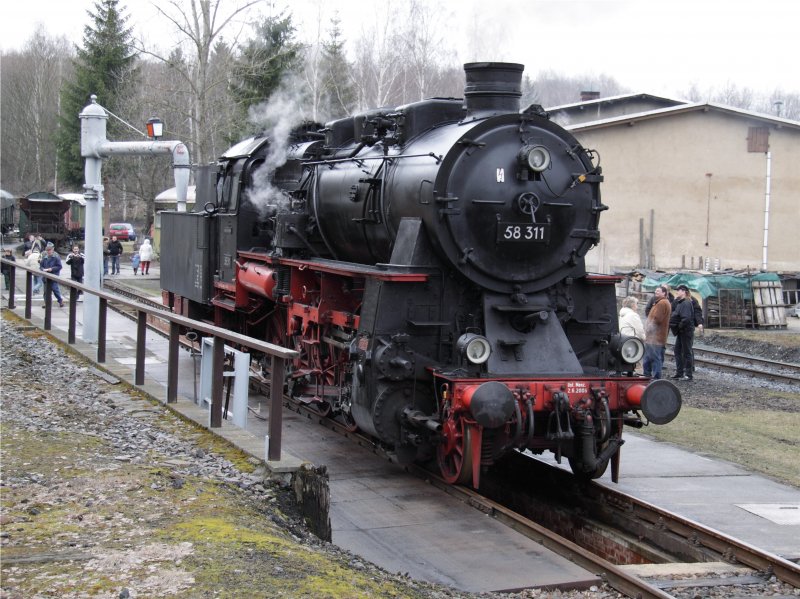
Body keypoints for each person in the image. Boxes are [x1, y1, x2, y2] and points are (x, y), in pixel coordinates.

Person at [643, 285, 672, 379]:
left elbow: (657, 319)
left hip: (656, 337)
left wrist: (648, 328)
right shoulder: (661, 302)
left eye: (658, 291)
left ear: (664, 293)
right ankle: (647, 375)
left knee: (655, 358)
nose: (656, 292)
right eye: (655, 291)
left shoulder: (662, 303)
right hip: (655, 337)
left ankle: (655, 377)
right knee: (650, 357)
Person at [669, 284, 695, 380]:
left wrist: (679, 326)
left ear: (684, 292)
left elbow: (686, 318)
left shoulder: (686, 303)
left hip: (685, 331)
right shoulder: (680, 303)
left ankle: (688, 374)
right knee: (677, 351)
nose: (677, 291)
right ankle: (679, 372)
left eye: (679, 290)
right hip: (681, 331)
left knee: (687, 352)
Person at [39, 242, 64, 308]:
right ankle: (47, 303)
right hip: (46, 277)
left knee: (55, 290)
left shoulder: (56, 256)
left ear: (53, 249)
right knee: (46, 292)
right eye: (47, 250)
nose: (48, 251)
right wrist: (42, 269)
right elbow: (41, 266)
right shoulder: (44, 256)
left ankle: (60, 300)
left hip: (53, 276)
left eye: (50, 250)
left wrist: (52, 269)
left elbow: (59, 266)